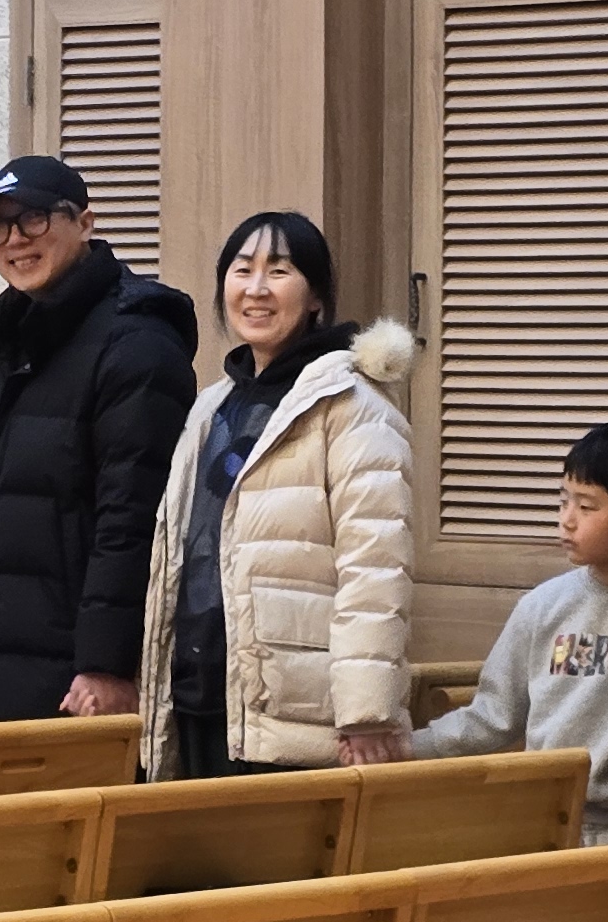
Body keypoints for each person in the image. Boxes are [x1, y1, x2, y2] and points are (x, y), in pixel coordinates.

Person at [135, 211, 415, 779]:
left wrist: (366, 712)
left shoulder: (352, 407)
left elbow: (375, 570)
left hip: (294, 718)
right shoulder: (212, 406)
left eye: (279, 271)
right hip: (201, 694)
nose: (256, 289)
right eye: (242, 270)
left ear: (316, 298)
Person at [0, 156, 195, 725]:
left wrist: (106, 663)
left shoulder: (137, 343)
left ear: (84, 222)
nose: (15, 240)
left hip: (74, 679)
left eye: (33, 218)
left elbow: (132, 517)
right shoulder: (6, 345)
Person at [412, 420, 608, 845]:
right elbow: (493, 717)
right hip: (540, 828)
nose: (567, 520)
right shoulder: (542, 605)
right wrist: (406, 748)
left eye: (587, 507)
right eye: (564, 501)